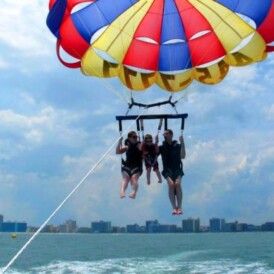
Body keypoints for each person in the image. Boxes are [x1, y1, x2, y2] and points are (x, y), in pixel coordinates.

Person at [157, 129, 186, 215]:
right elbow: (153, 155)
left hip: (177, 169)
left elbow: (183, 156)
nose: (164, 136)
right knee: (171, 184)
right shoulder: (162, 147)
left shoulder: (177, 145)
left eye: (166, 134)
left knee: (177, 184)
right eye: (164, 134)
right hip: (167, 170)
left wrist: (182, 143)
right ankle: (174, 207)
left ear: (171, 134)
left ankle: (180, 207)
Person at [116, 131, 143, 199]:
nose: (136, 138)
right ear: (129, 138)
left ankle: (134, 192)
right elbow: (117, 152)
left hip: (137, 166)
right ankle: (122, 191)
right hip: (127, 166)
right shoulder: (127, 147)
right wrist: (119, 142)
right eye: (134, 137)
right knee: (125, 178)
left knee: (134, 178)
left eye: (136, 137)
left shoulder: (139, 145)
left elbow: (142, 149)